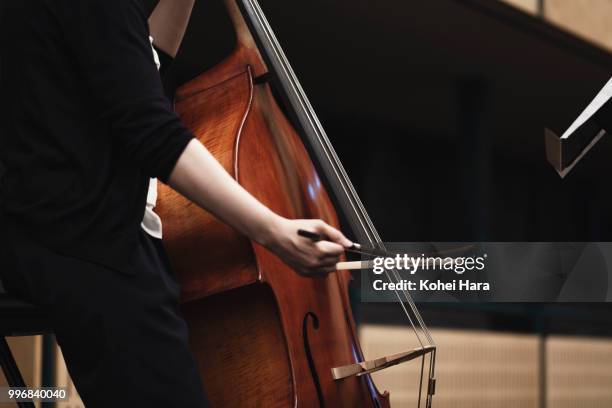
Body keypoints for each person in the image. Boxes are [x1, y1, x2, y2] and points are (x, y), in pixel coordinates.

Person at [0, 0, 351, 407]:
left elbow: (146, 73)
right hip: (93, 246)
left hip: (55, 238)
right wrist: (274, 231)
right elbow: (153, 134)